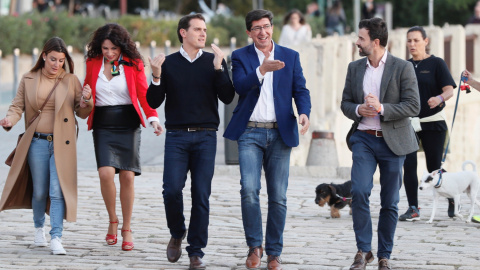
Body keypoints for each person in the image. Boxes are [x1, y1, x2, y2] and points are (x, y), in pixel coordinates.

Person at [224, 9, 311, 270]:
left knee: (278, 196)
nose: (262, 32)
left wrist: (304, 112)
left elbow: (300, 89)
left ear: (272, 27)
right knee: (249, 191)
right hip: (249, 132)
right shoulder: (240, 56)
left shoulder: (290, 56)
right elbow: (239, 86)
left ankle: (274, 252)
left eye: (266, 26)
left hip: (280, 131)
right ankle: (254, 247)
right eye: (256, 28)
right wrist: (261, 70)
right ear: (249, 32)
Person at [146, 14, 235, 269]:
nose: (203, 34)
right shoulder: (169, 63)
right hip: (176, 136)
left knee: (201, 194)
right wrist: (155, 76)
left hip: (206, 136)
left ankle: (196, 251)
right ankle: (177, 231)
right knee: (171, 190)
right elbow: (153, 102)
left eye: (204, 29)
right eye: (197, 29)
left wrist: (219, 68)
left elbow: (228, 97)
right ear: (183, 33)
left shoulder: (213, 61)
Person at [0, 37, 93, 255]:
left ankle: (57, 237)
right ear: (43, 56)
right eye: (53, 59)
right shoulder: (29, 78)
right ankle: (39, 228)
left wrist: (86, 100)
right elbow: (17, 106)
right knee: (40, 191)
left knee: (57, 191)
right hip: (37, 142)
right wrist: (9, 120)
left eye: (61, 61)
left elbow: (82, 112)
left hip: (63, 144)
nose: (56, 64)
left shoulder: (70, 80)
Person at [340, 18, 420, 270]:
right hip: (363, 138)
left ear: (375, 42)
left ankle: (384, 254)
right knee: (360, 192)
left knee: (390, 201)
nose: (357, 42)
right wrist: (358, 109)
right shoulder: (354, 68)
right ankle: (364, 251)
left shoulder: (402, 67)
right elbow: (345, 103)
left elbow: (413, 105)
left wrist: (381, 108)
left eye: (361, 38)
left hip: (392, 142)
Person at [83, 23, 163, 251]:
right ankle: (112, 220)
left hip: (128, 123)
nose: (109, 53)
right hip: (103, 124)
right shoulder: (92, 63)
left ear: (122, 46)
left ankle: (126, 227)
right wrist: (84, 96)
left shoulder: (133, 63)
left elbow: (143, 94)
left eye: (113, 48)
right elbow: (86, 91)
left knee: (127, 176)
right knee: (105, 173)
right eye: (105, 48)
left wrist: (153, 119)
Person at [399, 26, 456, 222]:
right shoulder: (404, 66)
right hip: (409, 124)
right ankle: (413, 208)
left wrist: (439, 98)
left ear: (426, 41)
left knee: (434, 167)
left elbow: (449, 89)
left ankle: (452, 197)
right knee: (409, 164)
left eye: (416, 40)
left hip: (433, 123)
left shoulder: (436, 63)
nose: (412, 44)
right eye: (409, 41)